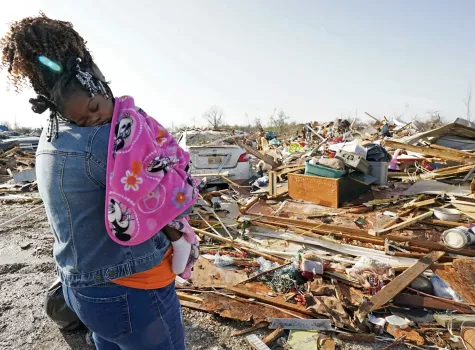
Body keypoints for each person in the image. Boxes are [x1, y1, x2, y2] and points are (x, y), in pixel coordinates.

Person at [1, 13, 187, 349]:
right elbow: (163, 194)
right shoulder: (108, 140)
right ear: (86, 69)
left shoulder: (52, 134)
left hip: (82, 288)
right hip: (134, 288)